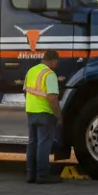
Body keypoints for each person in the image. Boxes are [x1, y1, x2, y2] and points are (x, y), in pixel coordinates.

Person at [24, 50, 62, 183]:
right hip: (45, 113)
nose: (56, 64)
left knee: (32, 143)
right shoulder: (50, 74)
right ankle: (43, 175)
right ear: (52, 60)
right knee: (44, 144)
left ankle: (30, 174)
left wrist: (30, 108)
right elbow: (52, 98)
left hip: (31, 112)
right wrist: (59, 116)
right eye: (56, 62)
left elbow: (26, 92)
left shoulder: (31, 71)